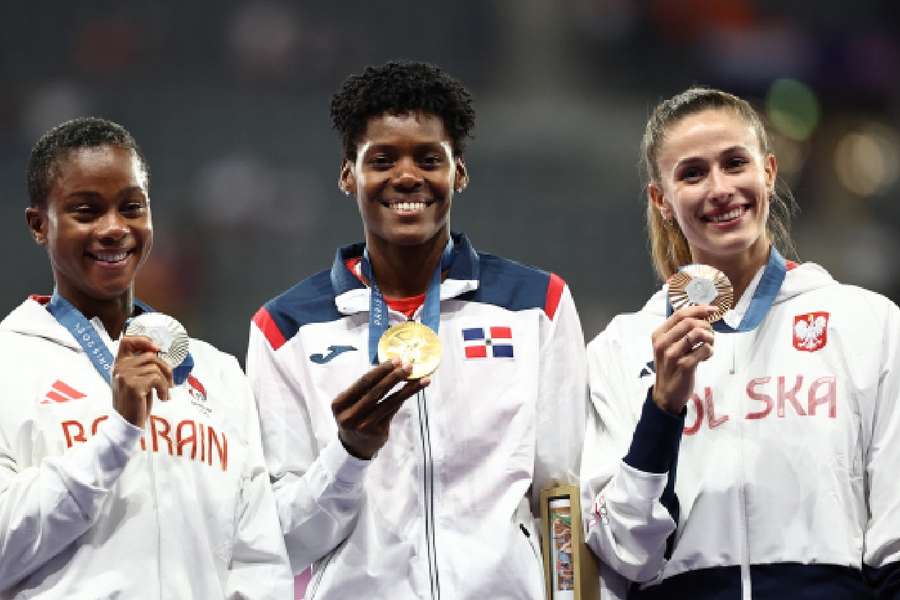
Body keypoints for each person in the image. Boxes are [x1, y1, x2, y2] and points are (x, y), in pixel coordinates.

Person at [247, 60, 587, 599]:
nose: (406, 176)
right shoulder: (286, 328)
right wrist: (348, 453)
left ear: (459, 172)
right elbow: (282, 539)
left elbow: (562, 497)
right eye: (382, 159)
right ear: (347, 174)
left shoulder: (536, 305)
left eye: (429, 158)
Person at [580, 86, 900, 599]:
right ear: (660, 200)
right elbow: (626, 552)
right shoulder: (621, 348)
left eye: (734, 163)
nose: (719, 188)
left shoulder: (867, 323)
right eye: (692, 173)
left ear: (768, 172)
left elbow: (895, 534)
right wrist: (662, 407)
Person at [0, 117, 292, 598]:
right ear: (39, 225)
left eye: (131, 207)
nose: (114, 228)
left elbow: (257, 557)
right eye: (86, 211)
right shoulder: (10, 364)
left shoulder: (217, 374)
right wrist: (116, 436)